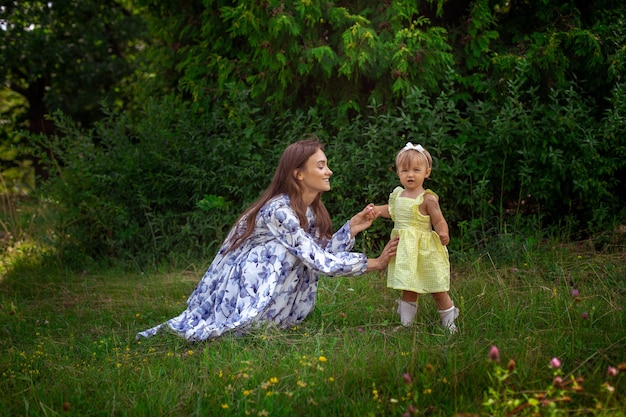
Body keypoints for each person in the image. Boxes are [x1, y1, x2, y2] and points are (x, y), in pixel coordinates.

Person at [136, 136, 399, 342]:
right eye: (321, 166)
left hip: (262, 282)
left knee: (297, 252)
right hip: (236, 284)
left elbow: (321, 253)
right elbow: (317, 260)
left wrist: (351, 229)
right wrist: (374, 263)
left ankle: (273, 321)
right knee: (283, 251)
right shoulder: (279, 210)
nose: (328, 171)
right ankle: (247, 320)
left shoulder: (310, 209)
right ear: (298, 174)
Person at [373, 142, 459, 332]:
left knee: (437, 288)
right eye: (404, 170)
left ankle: (449, 323)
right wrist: (375, 211)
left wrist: (443, 232)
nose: (410, 174)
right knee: (408, 286)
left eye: (416, 170)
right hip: (406, 251)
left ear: (426, 172)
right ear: (398, 173)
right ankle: (406, 325)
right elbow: (391, 210)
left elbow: (439, 220)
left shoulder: (427, 198)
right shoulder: (398, 195)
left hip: (425, 250)